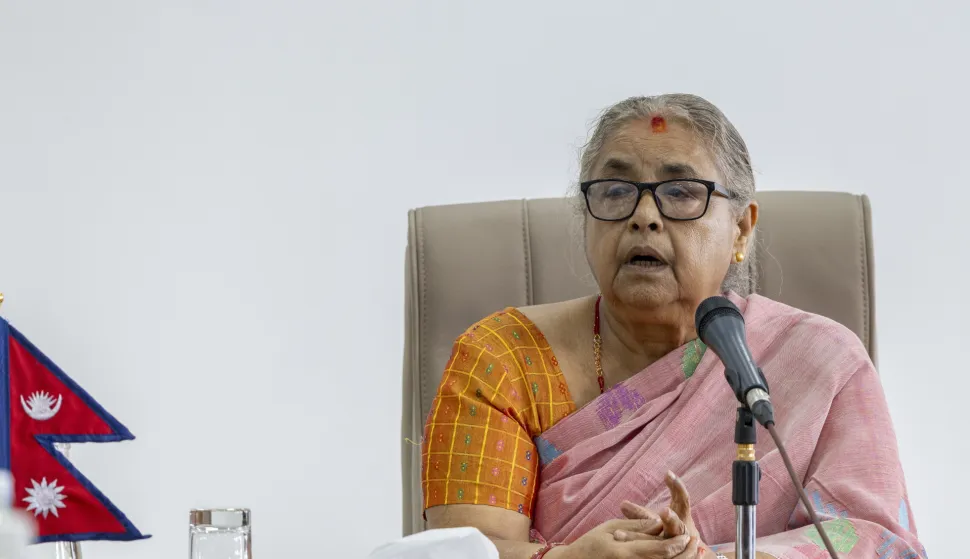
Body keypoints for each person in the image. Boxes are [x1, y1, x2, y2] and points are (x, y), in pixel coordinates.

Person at [420, 94, 926, 559]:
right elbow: (461, 553)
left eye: (681, 192)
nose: (644, 216)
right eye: (616, 191)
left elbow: (874, 542)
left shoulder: (820, 361)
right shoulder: (503, 359)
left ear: (741, 229)